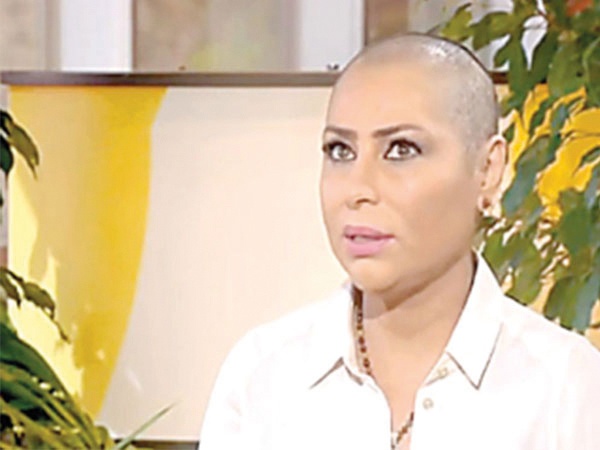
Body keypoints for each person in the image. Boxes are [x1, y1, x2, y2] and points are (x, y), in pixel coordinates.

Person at [199, 33, 600, 450]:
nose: (358, 189)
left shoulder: (568, 388)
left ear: (487, 169)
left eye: (401, 149)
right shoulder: (261, 375)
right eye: (339, 151)